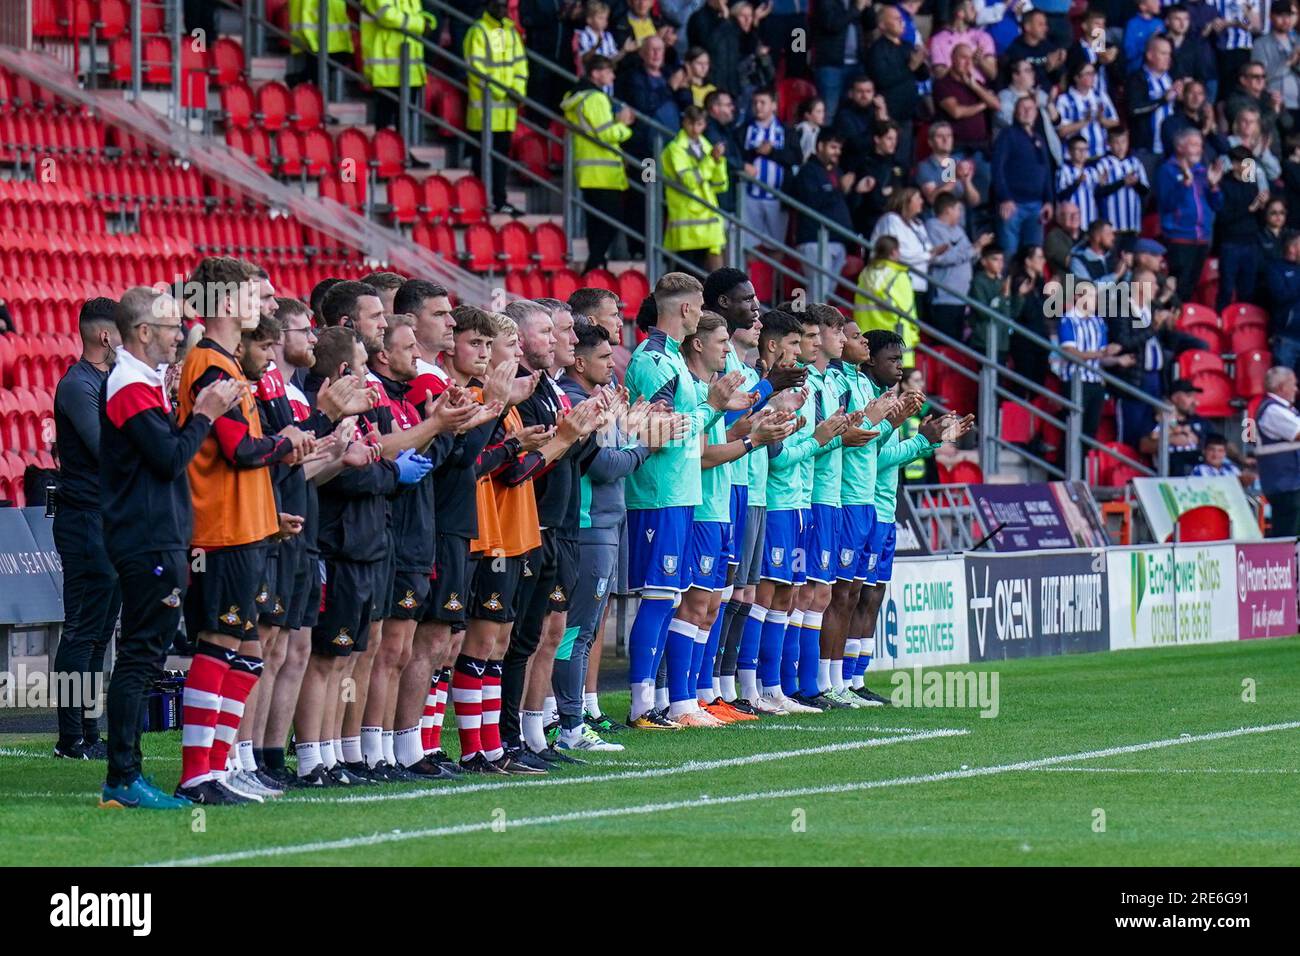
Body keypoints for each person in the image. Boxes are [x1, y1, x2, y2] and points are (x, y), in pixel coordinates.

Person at [96, 289, 245, 809]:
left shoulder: (142, 384)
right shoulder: (128, 386)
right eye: (169, 326)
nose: (179, 333)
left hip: (157, 538)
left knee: (145, 654)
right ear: (143, 332)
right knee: (140, 657)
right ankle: (122, 779)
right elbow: (168, 459)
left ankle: (125, 778)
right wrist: (203, 414)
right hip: (146, 539)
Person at [174, 257, 314, 804]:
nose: (265, 306)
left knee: (247, 653)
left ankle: (221, 767)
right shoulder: (212, 365)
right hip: (220, 532)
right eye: (255, 297)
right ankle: (198, 775)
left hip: (246, 528)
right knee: (217, 645)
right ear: (229, 303)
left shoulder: (226, 365)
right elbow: (238, 451)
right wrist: (291, 441)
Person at [622, 272, 750, 727]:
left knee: (669, 597)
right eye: (697, 307)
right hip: (659, 492)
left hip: (680, 493)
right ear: (685, 309)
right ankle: (644, 703)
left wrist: (719, 408)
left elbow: (687, 422)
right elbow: (657, 430)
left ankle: (665, 700)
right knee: (658, 598)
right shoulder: (654, 361)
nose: (699, 316)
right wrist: (712, 407)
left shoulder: (671, 359)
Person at [50, 297, 121, 760]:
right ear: (104, 336)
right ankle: (71, 737)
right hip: (85, 518)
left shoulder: (104, 382)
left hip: (107, 517)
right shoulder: (79, 385)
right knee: (81, 629)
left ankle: (89, 733)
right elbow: (105, 449)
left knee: (99, 632)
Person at [561, 54, 635, 273]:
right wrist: (624, 125)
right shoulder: (596, 98)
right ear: (595, 74)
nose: (612, 75)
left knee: (597, 222)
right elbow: (605, 134)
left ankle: (597, 264)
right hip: (602, 171)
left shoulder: (576, 96)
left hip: (589, 169)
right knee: (610, 221)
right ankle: (594, 264)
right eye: (608, 71)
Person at [465, 0, 529, 214]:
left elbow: (520, 66)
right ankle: (478, 200)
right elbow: (476, 69)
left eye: (505, 5)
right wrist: (504, 91)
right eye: (498, 5)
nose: (503, 9)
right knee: (481, 159)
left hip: (505, 113)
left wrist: (517, 91)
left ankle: (499, 200)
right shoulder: (479, 30)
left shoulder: (508, 32)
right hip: (484, 110)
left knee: (501, 159)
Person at [1058, 283, 1134, 437]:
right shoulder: (1068, 320)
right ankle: (1066, 461)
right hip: (1075, 381)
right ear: (1077, 297)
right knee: (1074, 429)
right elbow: (1069, 352)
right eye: (1090, 296)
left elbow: (1102, 357)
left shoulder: (1098, 322)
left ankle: (1082, 460)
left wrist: (1118, 360)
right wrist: (1102, 353)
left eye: (1095, 296)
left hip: (1096, 382)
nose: (1095, 300)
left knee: (1090, 431)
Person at [1156, 127, 1224, 301]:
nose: (1199, 149)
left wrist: (1214, 186)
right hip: (1179, 239)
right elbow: (1166, 204)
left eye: (1200, 145)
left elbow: (1218, 205)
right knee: (1176, 288)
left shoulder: (1203, 171)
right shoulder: (1167, 170)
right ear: (1179, 147)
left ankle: (1180, 322)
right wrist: (1184, 185)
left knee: (1190, 287)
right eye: (1194, 145)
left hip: (1202, 238)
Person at [661, 105, 729, 275]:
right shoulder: (675, 149)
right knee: (685, 274)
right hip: (686, 220)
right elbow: (689, 181)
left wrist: (718, 162)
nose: (695, 129)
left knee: (705, 276)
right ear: (684, 123)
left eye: (699, 124)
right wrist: (710, 161)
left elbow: (720, 185)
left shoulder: (707, 147)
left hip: (707, 219)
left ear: (704, 125)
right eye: (691, 124)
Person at [991, 95, 1055, 254]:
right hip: (1013, 205)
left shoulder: (1039, 139)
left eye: (1031, 108)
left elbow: (1046, 171)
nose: (1027, 112)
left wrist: (1048, 200)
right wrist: (1005, 197)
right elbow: (997, 168)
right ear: (1015, 112)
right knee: (1009, 253)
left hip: (1036, 206)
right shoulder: (1007, 135)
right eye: (1022, 108)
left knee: (1034, 255)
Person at [788, 128, 856, 279]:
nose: (837, 152)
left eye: (839, 148)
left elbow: (839, 203)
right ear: (820, 146)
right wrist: (839, 188)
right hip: (815, 240)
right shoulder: (807, 171)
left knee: (825, 296)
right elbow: (811, 202)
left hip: (837, 240)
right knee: (819, 292)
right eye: (833, 147)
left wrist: (856, 190)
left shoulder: (837, 171)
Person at [866, 5, 927, 165]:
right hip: (890, 117)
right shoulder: (877, 50)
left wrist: (921, 62)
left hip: (908, 115)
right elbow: (882, 80)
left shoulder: (907, 46)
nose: (901, 21)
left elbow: (923, 76)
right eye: (895, 18)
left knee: (906, 161)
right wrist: (910, 68)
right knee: (892, 161)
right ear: (882, 25)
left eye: (901, 18)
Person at [361, 0, 434, 132]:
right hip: (386, 67)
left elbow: (422, 14)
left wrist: (428, 21)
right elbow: (386, 15)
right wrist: (420, 24)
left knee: (405, 118)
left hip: (411, 66)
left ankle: (402, 149)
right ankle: (383, 150)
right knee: (385, 116)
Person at [741, 87, 799, 252]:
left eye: (763, 102)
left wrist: (772, 152)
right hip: (749, 197)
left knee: (776, 248)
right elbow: (737, 155)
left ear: (774, 105)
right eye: (755, 103)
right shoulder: (744, 130)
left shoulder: (787, 130)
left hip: (777, 197)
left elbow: (796, 158)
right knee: (749, 247)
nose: (758, 106)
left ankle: (775, 279)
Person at [928, 193, 992, 340]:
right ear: (948, 210)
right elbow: (942, 258)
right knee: (945, 345)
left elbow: (969, 254)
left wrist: (977, 249)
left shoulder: (958, 230)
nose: (960, 214)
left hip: (963, 297)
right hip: (944, 298)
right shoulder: (933, 227)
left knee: (958, 348)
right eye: (958, 209)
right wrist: (975, 248)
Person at [1217, 145, 1270, 311]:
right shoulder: (1224, 184)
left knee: (1247, 290)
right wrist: (1249, 209)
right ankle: (1221, 321)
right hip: (1230, 244)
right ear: (1234, 164)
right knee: (1226, 288)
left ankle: (1243, 321)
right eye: (1246, 163)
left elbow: (1259, 220)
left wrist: (1262, 207)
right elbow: (1223, 217)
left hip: (1251, 243)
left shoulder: (1252, 185)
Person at [854, 234, 918, 355]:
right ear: (893, 252)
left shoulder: (865, 274)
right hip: (895, 340)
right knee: (909, 374)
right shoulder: (898, 275)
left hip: (868, 338)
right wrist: (914, 336)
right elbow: (909, 311)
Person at [932, 43, 1000, 155]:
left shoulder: (976, 83)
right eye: (963, 58)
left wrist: (975, 87)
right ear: (952, 58)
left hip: (980, 146)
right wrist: (983, 104)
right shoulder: (942, 84)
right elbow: (956, 112)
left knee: (988, 172)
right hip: (954, 148)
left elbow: (996, 105)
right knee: (948, 173)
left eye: (971, 58)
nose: (968, 62)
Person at [1256, 366, 1300, 536]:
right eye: (1293, 385)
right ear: (1282, 387)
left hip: (1292, 483)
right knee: (1288, 533)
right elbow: (1297, 433)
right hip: (1284, 485)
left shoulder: (1287, 409)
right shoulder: (1272, 410)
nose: (1296, 389)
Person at [812, 0, 872, 122]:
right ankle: (825, 140)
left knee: (854, 112)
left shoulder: (855, 2)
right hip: (831, 65)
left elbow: (871, 24)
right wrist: (856, 9)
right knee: (829, 112)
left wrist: (868, 8)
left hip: (857, 63)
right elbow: (832, 24)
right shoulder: (826, 2)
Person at [917, 122, 983, 229]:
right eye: (940, 136)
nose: (946, 140)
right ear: (930, 142)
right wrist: (955, 176)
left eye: (949, 136)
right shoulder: (925, 166)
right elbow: (933, 199)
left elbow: (975, 201)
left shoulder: (958, 162)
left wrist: (966, 181)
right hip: (938, 227)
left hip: (960, 227)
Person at [1126, 35, 1180, 166]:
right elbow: (1135, 109)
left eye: (1169, 53)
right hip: (1146, 149)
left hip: (1172, 149)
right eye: (1163, 53)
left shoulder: (1173, 77)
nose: (1168, 58)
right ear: (1150, 56)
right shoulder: (1137, 79)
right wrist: (1162, 100)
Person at [1094, 126, 1150, 252]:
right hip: (1113, 228)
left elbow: (1145, 190)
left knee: (1129, 263)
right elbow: (1099, 192)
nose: (1120, 146)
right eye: (1116, 142)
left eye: (1124, 142)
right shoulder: (1103, 164)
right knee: (1113, 262)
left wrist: (1135, 183)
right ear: (1109, 144)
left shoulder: (1135, 163)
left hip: (1132, 226)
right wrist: (1122, 182)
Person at [1055, 61, 1119, 160]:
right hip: (1075, 159)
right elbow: (1061, 131)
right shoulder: (1064, 100)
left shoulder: (1101, 96)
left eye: (1093, 73)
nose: (1092, 77)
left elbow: (1115, 122)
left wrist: (1101, 120)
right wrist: (1084, 122)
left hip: (1101, 153)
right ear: (1076, 78)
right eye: (1088, 74)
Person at [287, 0, 354, 89]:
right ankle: (300, 79)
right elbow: (307, 13)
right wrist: (311, 41)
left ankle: (300, 78)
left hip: (332, 39)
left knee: (336, 61)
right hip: (320, 40)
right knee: (320, 67)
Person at [1251, 2, 1300, 123]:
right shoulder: (1261, 44)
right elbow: (1260, 78)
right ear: (1271, 17)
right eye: (1280, 16)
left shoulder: (1297, 41)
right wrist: (1287, 62)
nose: (1285, 20)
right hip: (1276, 104)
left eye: (1288, 16)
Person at [929, 0, 997, 83]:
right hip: (952, 89)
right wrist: (962, 64)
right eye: (971, 8)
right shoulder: (939, 39)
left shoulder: (983, 36)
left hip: (979, 89)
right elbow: (938, 74)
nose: (976, 11)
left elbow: (993, 74)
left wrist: (980, 61)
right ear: (960, 13)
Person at [1005, 10, 1066, 90]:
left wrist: (1058, 66)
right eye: (1040, 25)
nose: (1045, 28)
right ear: (1027, 27)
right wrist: (1047, 68)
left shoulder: (1049, 47)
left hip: (1047, 93)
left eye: (1045, 24)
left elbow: (1061, 79)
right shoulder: (1015, 49)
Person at [1057, 135, 1102, 230]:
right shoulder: (1064, 170)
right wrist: (1077, 183)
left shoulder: (1092, 171)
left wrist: (1102, 185)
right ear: (1070, 151)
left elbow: (1098, 195)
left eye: (1085, 150)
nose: (1082, 153)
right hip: (1071, 224)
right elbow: (1061, 196)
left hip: (1090, 221)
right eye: (1078, 149)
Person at [1044, 201, 1083, 278]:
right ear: (1059, 218)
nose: (1074, 217)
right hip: (1068, 281)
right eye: (1069, 214)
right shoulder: (1053, 237)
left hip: (1093, 281)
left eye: (1076, 213)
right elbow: (1071, 263)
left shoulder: (1087, 235)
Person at [1123, 0, 1164, 71]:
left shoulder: (1159, 23)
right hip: (1137, 69)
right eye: (1154, 1)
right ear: (1143, 6)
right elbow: (1129, 53)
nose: (1159, 3)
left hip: (1157, 68)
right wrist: (1149, 42)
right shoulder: (1132, 24)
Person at [794, 96, 825, 161]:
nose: (823, 115)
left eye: (823, 111)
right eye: (818, 112)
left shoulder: (818, 130)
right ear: (807, 115)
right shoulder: (801, 129)